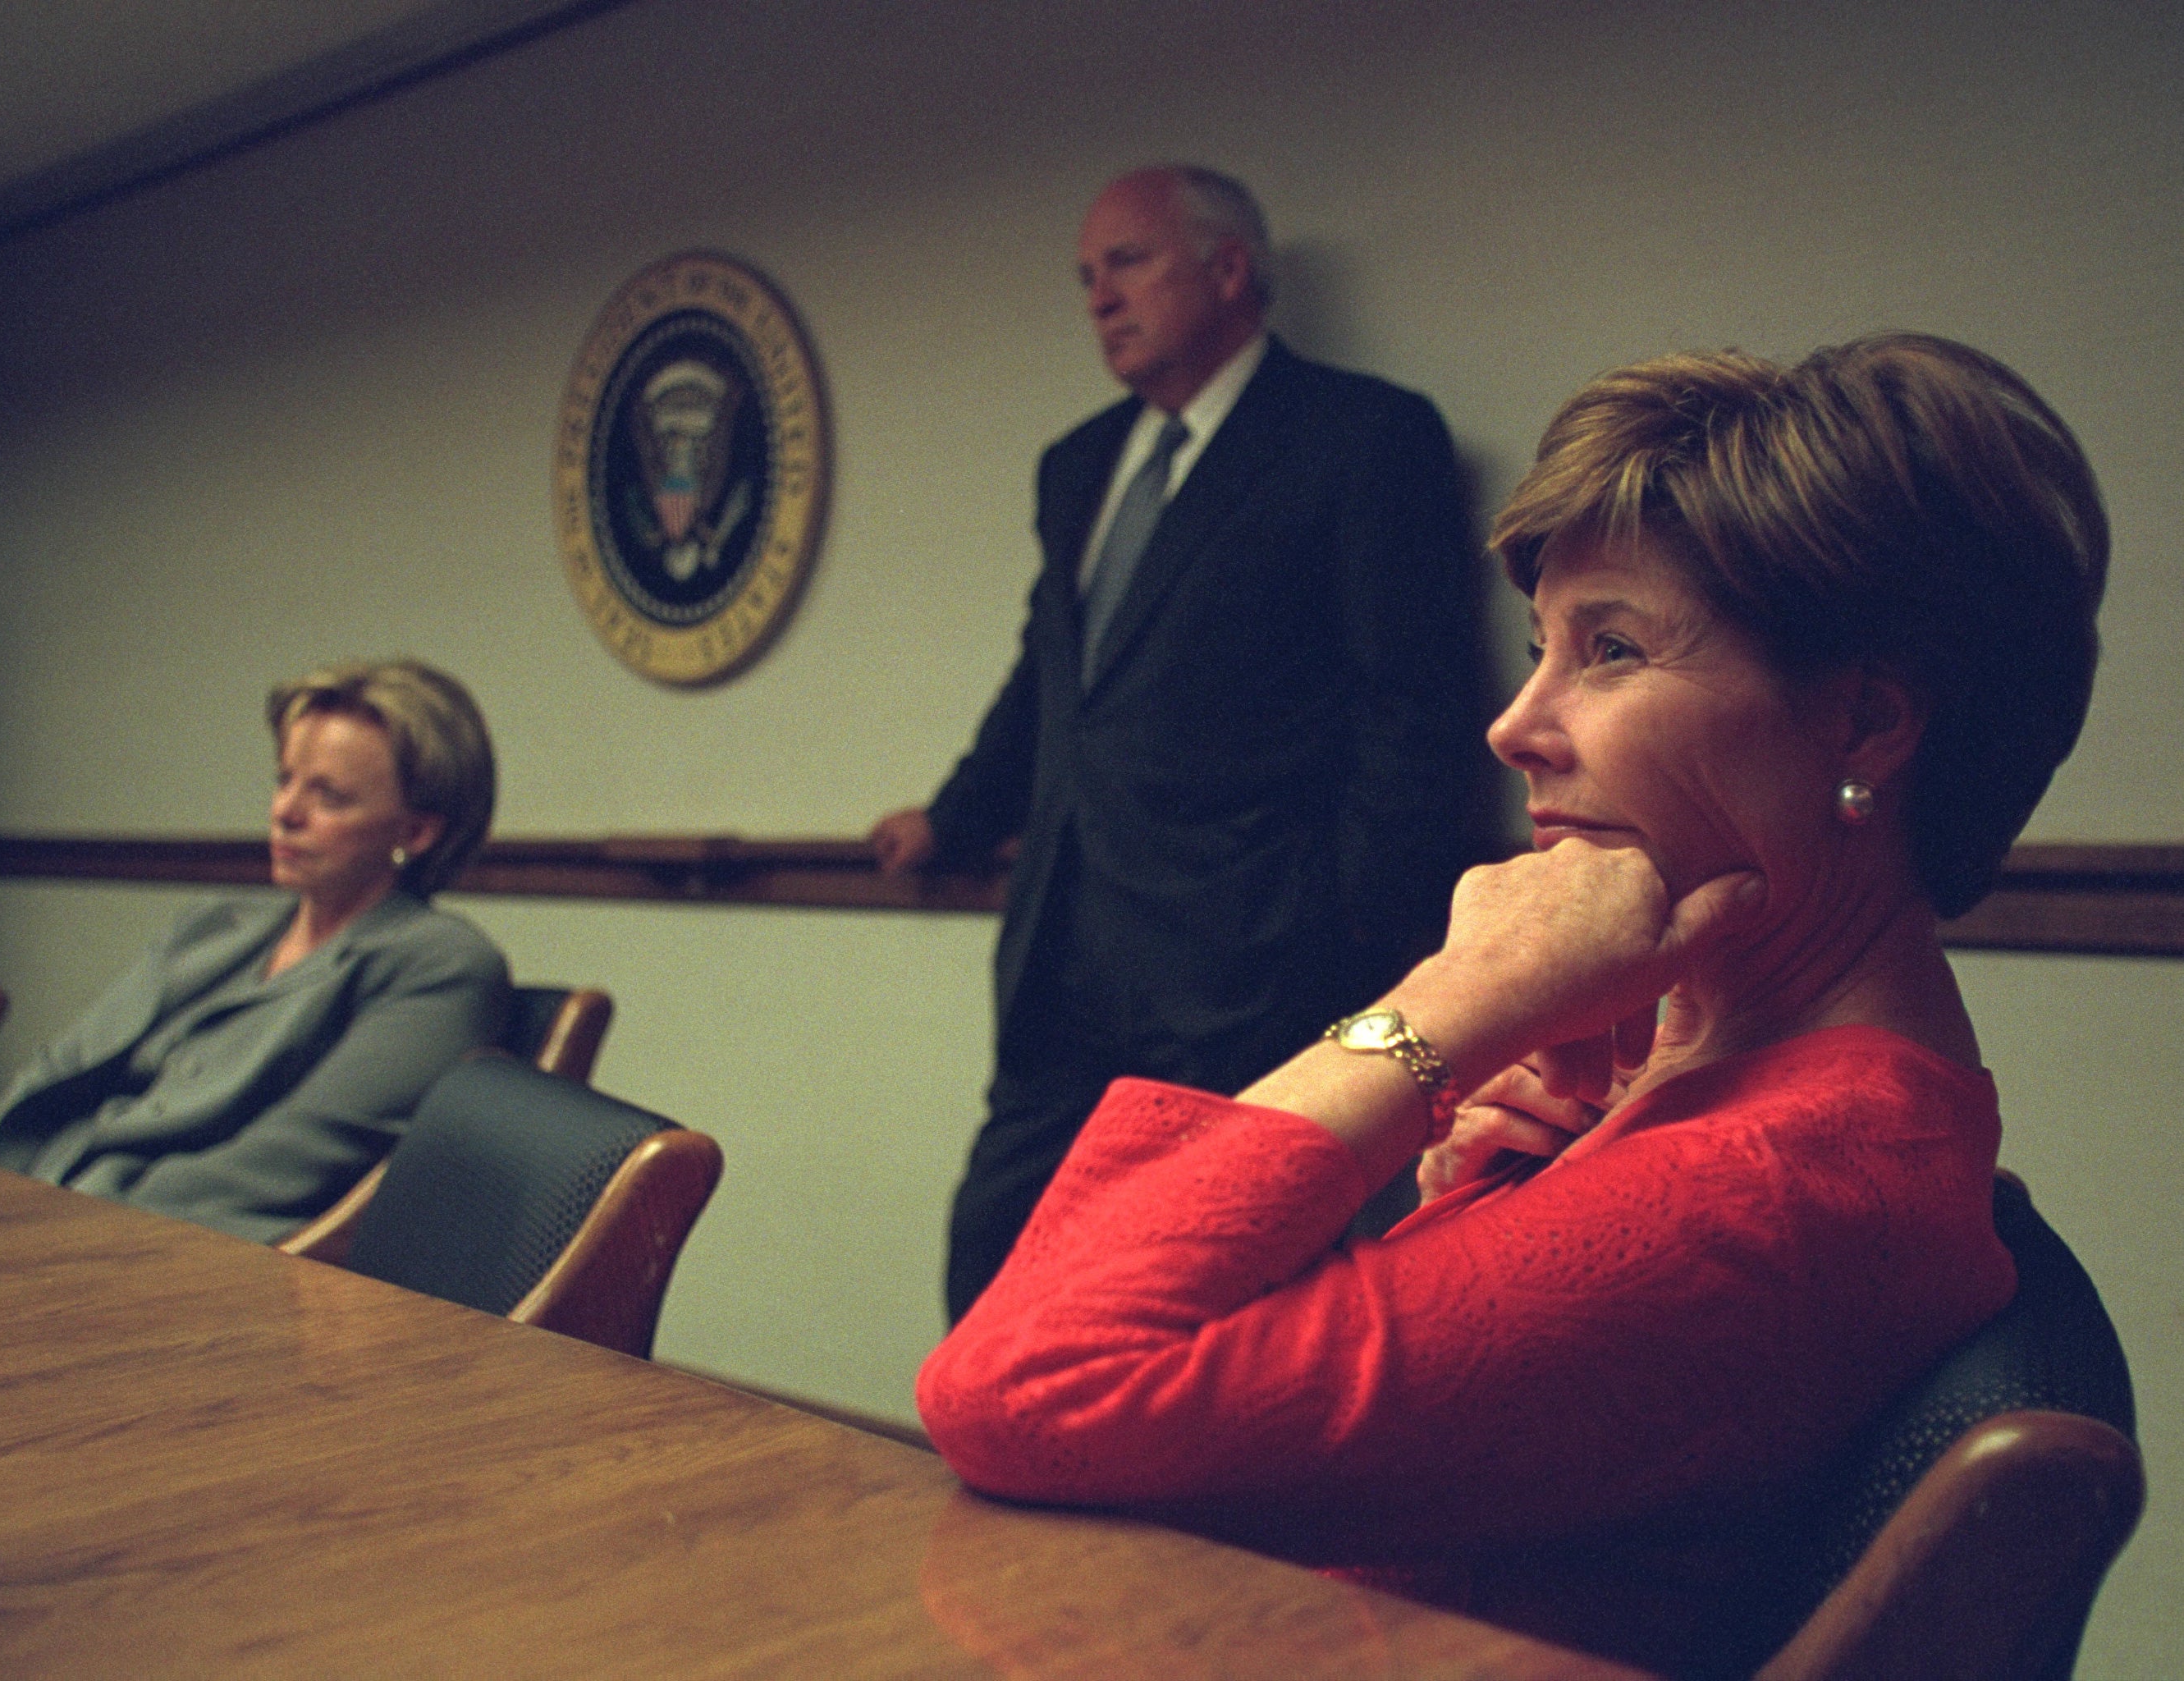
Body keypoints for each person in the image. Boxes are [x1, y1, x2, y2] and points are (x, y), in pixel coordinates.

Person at [918, 332, 2108, 1677]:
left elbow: (1025, 1377)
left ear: (1866, 726)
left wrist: (1443, 1005)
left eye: (1611, 648)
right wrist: (1463, 1187)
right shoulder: (1681, 1070)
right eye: (1542, 646)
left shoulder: (1772, 1181)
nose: (1516, 723)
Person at [871, 166, 1486, 1321]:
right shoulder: (1078, 464)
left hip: (1249, 959)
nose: (1099, 297)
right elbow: (1057, 679)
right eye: (1086, 276)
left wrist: (1347, 930)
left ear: (1229, 269)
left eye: (1129, 261)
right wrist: (954, 816)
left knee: (1201, 1301)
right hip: (1065, 943)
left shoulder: (1360, 437)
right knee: (994, 1264)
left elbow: (1411, 705)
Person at [0, 658, 510, 1244]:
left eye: (327, 796)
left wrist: (60, 1234)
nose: (285, 812)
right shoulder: (217, 924)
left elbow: (278, 1169)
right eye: (284, 780)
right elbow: (56, 1075)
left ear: (416, 833)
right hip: (31, 1206)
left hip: (164, 1257)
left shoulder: (441, 964)